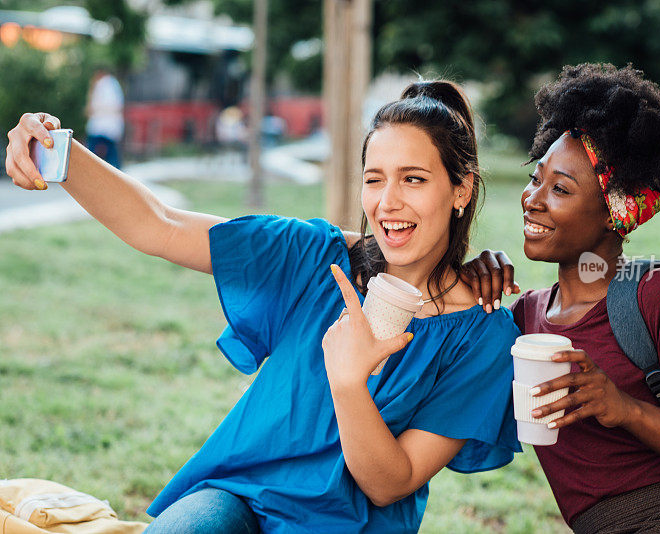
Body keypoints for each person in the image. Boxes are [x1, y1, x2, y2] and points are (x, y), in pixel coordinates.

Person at [4, 81, 520, 533]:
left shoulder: (480, 337)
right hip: (236, 498)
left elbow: (392, 484)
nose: (388, 201)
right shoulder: (313, 257)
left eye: (413, 178)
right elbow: (159, 222)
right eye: (374, 177)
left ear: (461, 189)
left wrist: (347, 383)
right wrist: (59, 152)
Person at [461, 64, 660, 533]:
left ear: (615, 211)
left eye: (560, 189)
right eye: (536, 178)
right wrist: (463, 284)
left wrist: (626, 409)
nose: (532, 199)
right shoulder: (525, 316)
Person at [85, 67, 125, 168]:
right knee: (109, 153)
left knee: (92, 153)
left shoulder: (105, 84)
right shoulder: (111, 84)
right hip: (106, 126)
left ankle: (88, 169)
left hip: (104, 125)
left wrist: (94, 109)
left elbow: (110, 105)